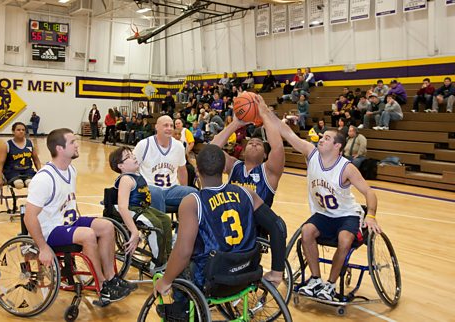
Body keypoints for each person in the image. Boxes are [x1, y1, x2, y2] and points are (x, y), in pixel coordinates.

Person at [155, 144, 286, 295]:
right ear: (224, 168)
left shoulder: (192, 202)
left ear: (197, 170)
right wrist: (277, 271)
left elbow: (183, 252)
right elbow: (278, 226)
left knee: (178, 267)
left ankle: (180, 311)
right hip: (248, 272)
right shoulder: (247, 193)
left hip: (213, 278)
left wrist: (165, 281)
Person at [24, 128, 135, 304]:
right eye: (73, 142)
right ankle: (103, 286)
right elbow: (29, 217)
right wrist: (43, 247)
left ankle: (111, 277)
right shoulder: (44, 178)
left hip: (68, 222)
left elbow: (70, 203)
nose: (77, 145)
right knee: (88, 234)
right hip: (49, 230)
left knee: (106, 226)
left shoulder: (71, 171)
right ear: (60, 149)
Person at [276, 121, 381, 302]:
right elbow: (288, 134)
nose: (321, 140)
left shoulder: (346, 167)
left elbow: (369, 192)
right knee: (306, 231)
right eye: (322, 137)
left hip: (346, 215)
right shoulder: (311, 154)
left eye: (327, 138)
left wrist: (371, 215)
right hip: (324, 214)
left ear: (337, 145)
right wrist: (265, 112)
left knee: (345, 239)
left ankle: (331, 285)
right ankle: (316, 279)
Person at [211, 95, 287, 284]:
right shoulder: (234, 166)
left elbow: (277, 145)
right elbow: (210, 151)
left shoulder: (269, 171)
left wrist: (263, 114)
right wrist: (235, 124)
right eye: (250, 143)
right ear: (243, 151)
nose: (253, 143)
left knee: (279, 226)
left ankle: (277, 273)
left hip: (254, 226)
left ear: (265, 154)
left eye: (259, 143)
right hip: (228, 221)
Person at [108, 147, 172, 270]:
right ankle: (158, 263)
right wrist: (134, 231)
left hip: (142, 208)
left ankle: (168, 255)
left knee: (165, 220)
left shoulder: (136, 175)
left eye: (132, 154)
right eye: (128, 156)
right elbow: (122, 207)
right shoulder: (126, 179)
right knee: (155, 225)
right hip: (131, 208)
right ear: (121, 165)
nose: (134, 156)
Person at [133, 115, 197, 213]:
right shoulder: (143, 145)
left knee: (193, 193)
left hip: (171, 190)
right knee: (156, 192)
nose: (169, 128)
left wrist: (184, 187)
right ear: (156, 127)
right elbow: (132, 168)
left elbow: (182, 170)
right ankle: (161, 226)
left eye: (171, 126)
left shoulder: (179, 146)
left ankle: (183, 226)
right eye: (166, 125)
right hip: (149, 189)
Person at [0, 122, 41, 190]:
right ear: (13, 131)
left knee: (31, 183)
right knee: (18, 184)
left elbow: (36, 160)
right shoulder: (6, 145)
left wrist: (40, 172)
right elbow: (0, 163)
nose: (21, 131)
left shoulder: (30, 143)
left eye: (23, 130)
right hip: (12, 171)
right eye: (18, 130)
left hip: (28, 171)